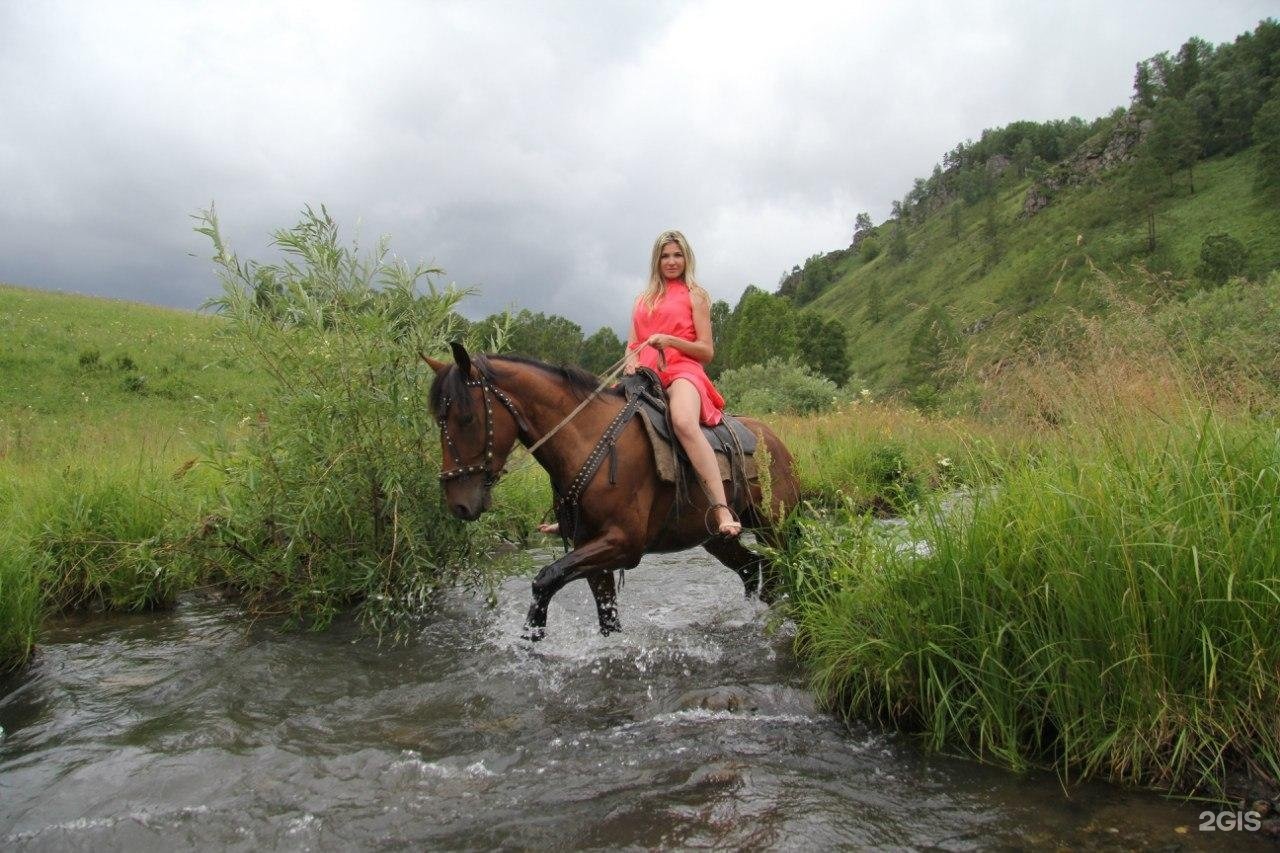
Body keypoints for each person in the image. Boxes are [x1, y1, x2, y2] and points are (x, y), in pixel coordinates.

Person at [624, 230, 741, 537]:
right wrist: (629, 360)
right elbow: (633, 343)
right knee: (606, 423)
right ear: (657, 260)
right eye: (665, 256)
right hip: (644, 376)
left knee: (684, 422)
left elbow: (706, 350)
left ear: (686, 258)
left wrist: (671, 340)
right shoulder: (642, 299)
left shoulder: (696, 295)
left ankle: (721, 509)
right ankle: (583, 512)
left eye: (677, 255)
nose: (671, 261)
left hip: (682, 371)